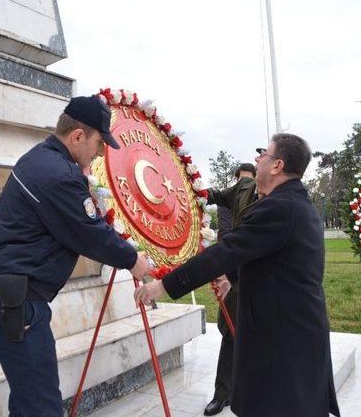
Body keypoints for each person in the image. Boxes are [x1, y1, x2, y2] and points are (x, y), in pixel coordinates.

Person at [135, 134, 340, 417]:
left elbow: (227, 250)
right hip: (291, 332)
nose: (257, 159)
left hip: (282, 342)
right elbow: (264, 255)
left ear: (278, 165)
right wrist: (231, 275)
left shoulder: (279, 208)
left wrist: (163, 285)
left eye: (263, 154)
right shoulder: (292, 203)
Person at [0, 95, 150, 416]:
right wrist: (134, 260)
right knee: (42, 408)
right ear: (77, 136)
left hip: (13, 299)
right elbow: (91, 234)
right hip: (19, 304)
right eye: (99, 143)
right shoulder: (58, 174)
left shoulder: (43, 160)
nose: (100, 152)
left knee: (27, 401)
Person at [204, 163, 258, 416]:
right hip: (235, 274)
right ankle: (222, 394)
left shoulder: (269, 197)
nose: (244, 185)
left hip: (262, 278)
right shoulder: (231, 197)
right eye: (241, 181)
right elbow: (227, 235)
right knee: (231, 334)